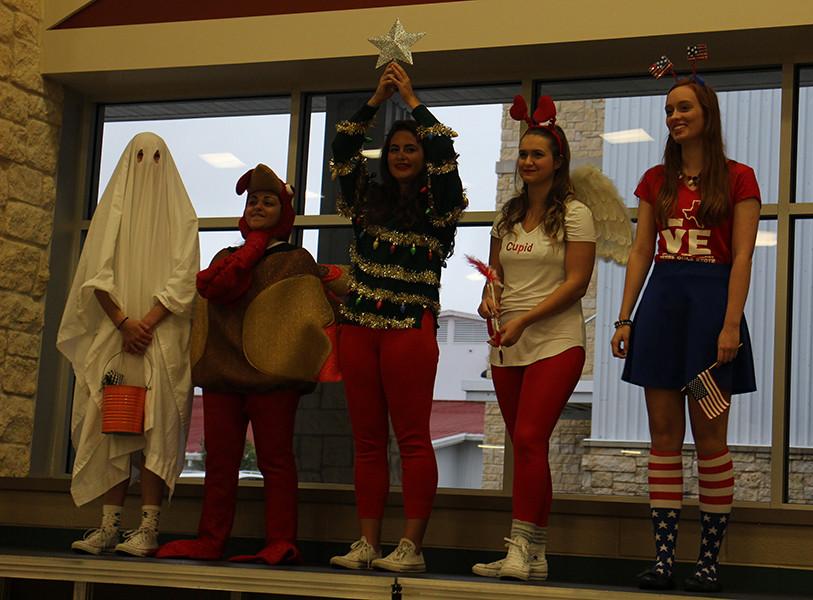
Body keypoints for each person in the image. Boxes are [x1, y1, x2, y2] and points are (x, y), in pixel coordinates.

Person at [610, 78, 761, 593]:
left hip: (711, 311)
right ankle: (665, 561)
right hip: (662, 308)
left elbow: (742, 255)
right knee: (662, 438)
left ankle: (709, 565)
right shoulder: (655, 179)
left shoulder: (740, 178)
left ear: (707, 113)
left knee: (711, 439)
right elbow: (639, 252)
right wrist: (624, 316)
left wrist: (730, 325)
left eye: (684, 107)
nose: (674, 116)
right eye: (669, 109)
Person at [156, 163, 339, 565]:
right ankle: (211, 538)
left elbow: (307, 314)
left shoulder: (295, 259)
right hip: (222, 374)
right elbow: (208, 300)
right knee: (219, 463)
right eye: (253, 200)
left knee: (276, 461)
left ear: (283, 213)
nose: (257, 206)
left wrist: (292, 358)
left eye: (268, 201)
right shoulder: (225, 258)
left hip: (274, 377)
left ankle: (281, 539)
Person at [327, 62, 465, 573]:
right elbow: (342, 149)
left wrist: (410, 100)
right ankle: (367, 542)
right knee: (365, 441)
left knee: (411, 438)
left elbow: (447, 151)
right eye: (395, 149)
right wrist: (373, 100)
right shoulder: (366, 198)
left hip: (410, 328)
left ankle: (410, 546)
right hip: (357, 328)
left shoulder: (441, 206)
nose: (403, 154)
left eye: (411, 147)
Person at [470, 95, 597, 582]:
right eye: (523, 154)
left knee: (528, 437)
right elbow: (495, 272)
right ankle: (533, 555)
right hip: (507, 340)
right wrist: (488, 296)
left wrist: (525, 320)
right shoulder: (506, 216)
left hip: (556, 340)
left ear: (558, 161)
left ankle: (520, 546)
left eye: (537, 154)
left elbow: (576, 284)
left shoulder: (575, 213)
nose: (527, 161)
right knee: (525, 448)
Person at [58, 132, 199, 557]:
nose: (146, 164)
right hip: (117, 336)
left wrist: (147, 323)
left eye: (155, 157)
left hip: (161, 337)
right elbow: (94, 274)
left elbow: (183, 277)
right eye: (139, 156)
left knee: (156, 429)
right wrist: (123, 323)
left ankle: (149, 528)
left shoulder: (182, 218)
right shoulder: (109, 217)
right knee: (114, 428)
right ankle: (109, 527)